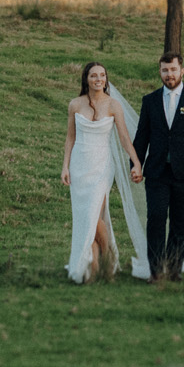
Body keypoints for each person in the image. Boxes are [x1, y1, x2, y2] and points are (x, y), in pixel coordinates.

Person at [132, 52, 184, 280]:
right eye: (165, 70)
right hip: (157, 172)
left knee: (180, 223)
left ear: (182, 71)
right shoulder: (149, 101)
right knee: (156, 219)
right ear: (160, 72)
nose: (169, 74)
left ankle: (174, 270)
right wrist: (135, 164)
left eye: (173, 70)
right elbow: (141, 137)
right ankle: (156, 272)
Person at [63, 61, 144, 283]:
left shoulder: (113, 105)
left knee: (92, 214)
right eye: (93, 76)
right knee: (87, 217)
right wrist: (65, 166)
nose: (98, 79)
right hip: (80, 166)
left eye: (102, 75)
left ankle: (107, 256)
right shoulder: (75, 104)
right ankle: (93, 266)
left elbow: (125, 138)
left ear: (106, 79)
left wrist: (136, 162)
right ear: (86, 79)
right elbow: (71, 137)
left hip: (102, 166)